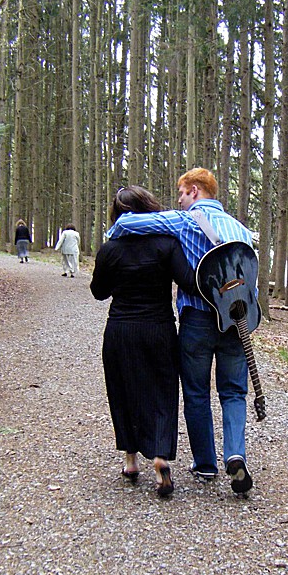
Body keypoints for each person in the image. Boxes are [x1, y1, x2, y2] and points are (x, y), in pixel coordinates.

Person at [105, 168, 256, 493]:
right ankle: (235, 453)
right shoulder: (243, 231)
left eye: (182, 193)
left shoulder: (184, 220)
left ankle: (205, 465)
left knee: (197, 393)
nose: (179, 199)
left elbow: (129, 223)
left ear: (196, 191)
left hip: (197, 321)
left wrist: (117, 224)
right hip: (235, 323)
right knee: (233, 392)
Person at [91, 186, 200, 497]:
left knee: (123, 391)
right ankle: (160, 458)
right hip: (159, 328)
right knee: (163, 391)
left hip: (121, 330)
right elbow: (189, 282)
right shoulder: (166, 243)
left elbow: (99, 292)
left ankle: (130, 460)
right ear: (151, 209)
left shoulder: (110, 248)